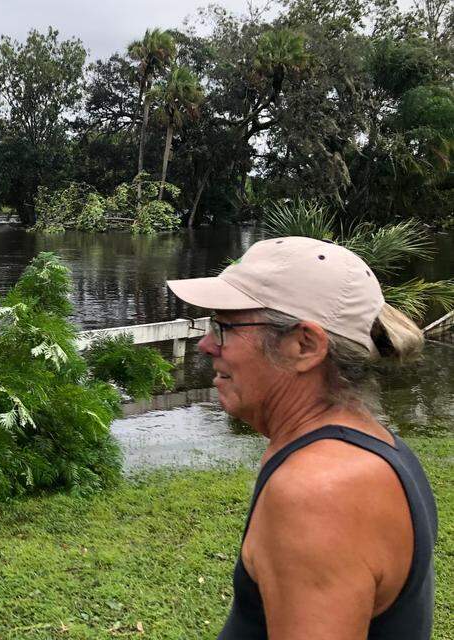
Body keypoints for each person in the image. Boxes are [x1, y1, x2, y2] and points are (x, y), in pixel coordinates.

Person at [166, 236, 437, 639]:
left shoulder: (319, 492)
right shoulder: (370, 445)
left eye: (223, 327)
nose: (206, 345)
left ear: (304, 345)